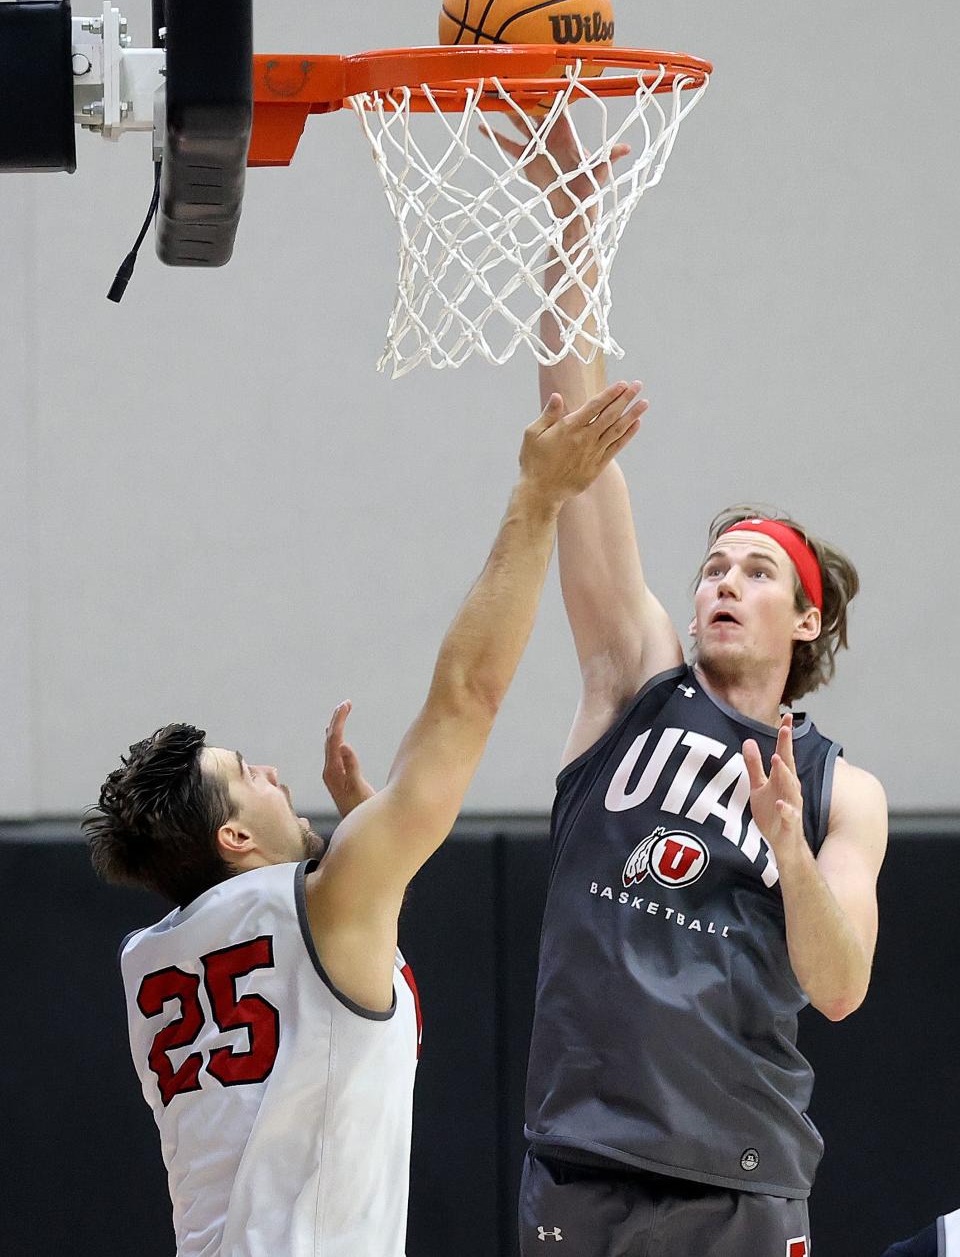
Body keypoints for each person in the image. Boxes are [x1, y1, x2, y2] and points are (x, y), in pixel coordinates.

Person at [81, 380, 647, 1257]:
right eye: (246, 775)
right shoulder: (323, 907)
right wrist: (539, 500)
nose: (270, 770)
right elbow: (467, 698)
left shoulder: (147, 960)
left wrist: (368, 856)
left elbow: (338, 1006)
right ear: (233, 839)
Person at [493, 115, 889, 1255]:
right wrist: (571, 217)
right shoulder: (633, 680)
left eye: (755, 570)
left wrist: (793, 848)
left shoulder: (838, 788)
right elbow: (578, 444)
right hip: (579, 1162)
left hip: (739, 1177)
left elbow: (842, 983)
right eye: (713, 564)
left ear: (805, 618)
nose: (722, 581)